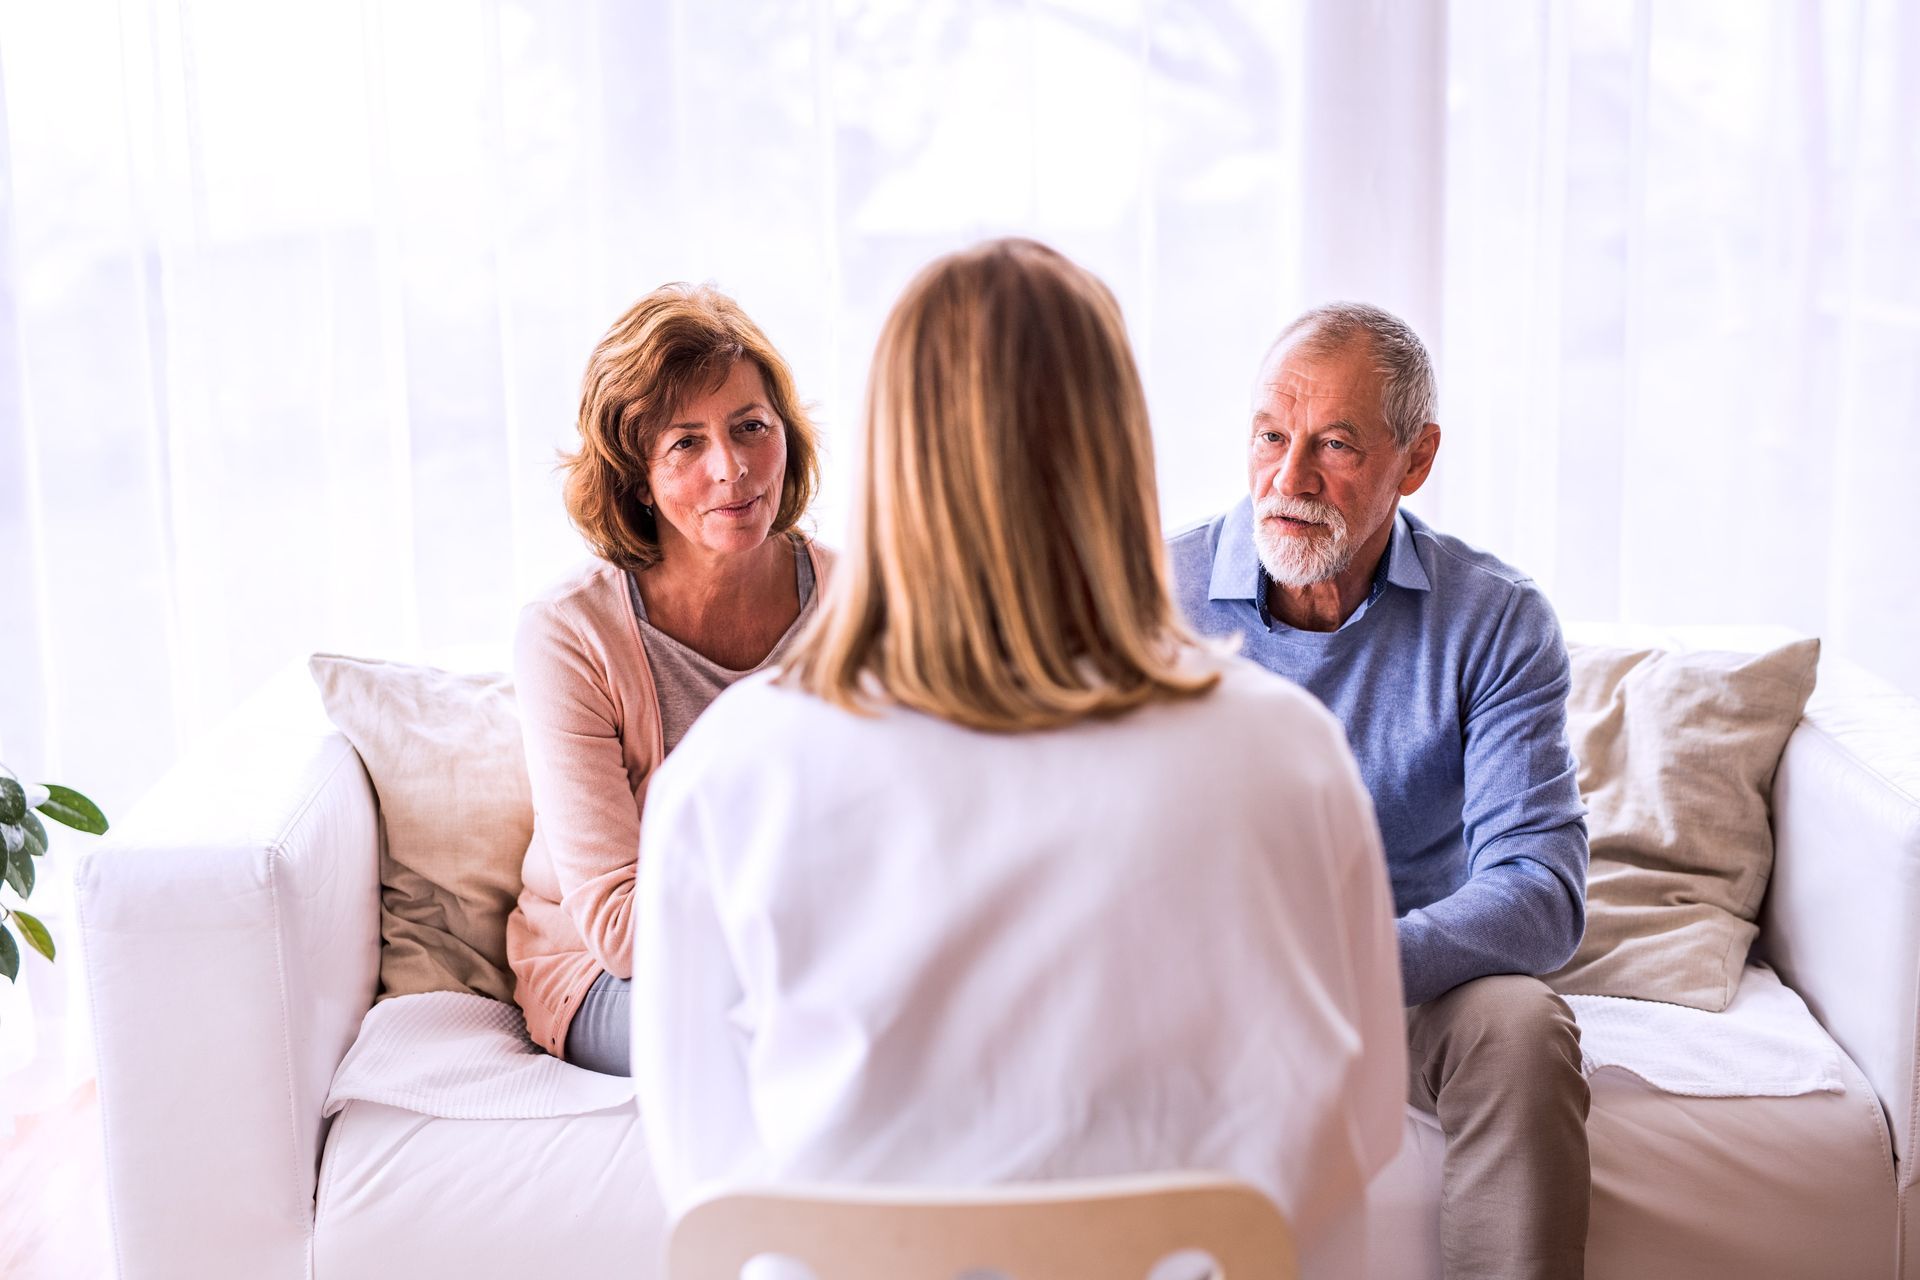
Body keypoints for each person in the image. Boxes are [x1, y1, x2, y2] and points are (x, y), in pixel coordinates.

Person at [631, 239, 1406, 1276]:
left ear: (887, 462)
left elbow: (708, 1174)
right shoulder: (1287, 756)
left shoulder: (735, 770)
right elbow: (1362, 1128)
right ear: (1117, 453)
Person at [1167, 303, 1591, 1280]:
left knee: (1525, 1027)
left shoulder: (1495, 618)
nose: (1289, 477)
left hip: (1414, 974)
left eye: (1337, 445)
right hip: (1215, 981)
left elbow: (1541, 885)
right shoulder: (1155, 593)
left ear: (1417, 457)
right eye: (1271, 436)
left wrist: (1351, 959)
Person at [505, 283, 830, 1076]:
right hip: (609, 977)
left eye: (752, 427)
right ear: (635, 475)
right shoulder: (569, 634)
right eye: (687, 444)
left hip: (824, 947)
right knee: (802, 1042)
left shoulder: (859, 602)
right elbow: (620, 926)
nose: (734, 468)